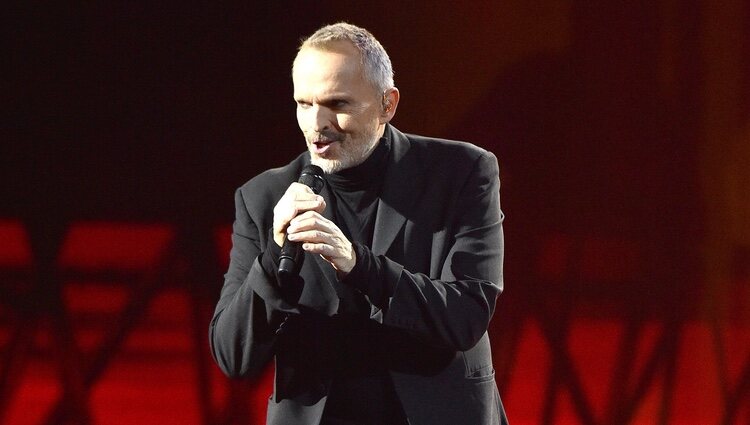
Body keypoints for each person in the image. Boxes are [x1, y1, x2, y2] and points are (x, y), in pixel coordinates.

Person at [209, 22, 508, 425]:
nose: (316, 123)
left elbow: (465, 318)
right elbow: (233, 356)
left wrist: (358, 265)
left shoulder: (460, 173)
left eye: (338, 103)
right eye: (303, 103)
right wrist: (273, 257)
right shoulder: (264, 197)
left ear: (388, 104)